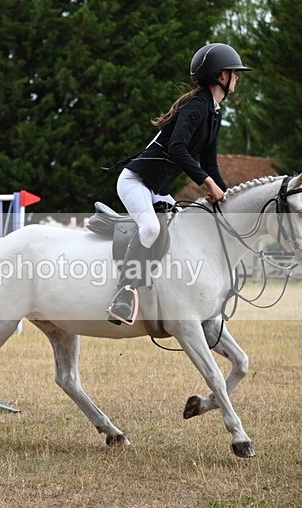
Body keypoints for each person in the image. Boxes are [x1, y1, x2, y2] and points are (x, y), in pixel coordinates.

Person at [106, 43, 251, 325]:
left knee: (184, 234)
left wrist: (226, 196)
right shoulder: (197, 106)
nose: (238, 79)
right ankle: (122, 295)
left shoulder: (214, 112)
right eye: (235, 73)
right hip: (135, 181)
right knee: (150, 227)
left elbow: (210, 164)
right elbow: (176, 148)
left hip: (159, 190)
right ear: (222, 76)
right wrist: (208, 183)